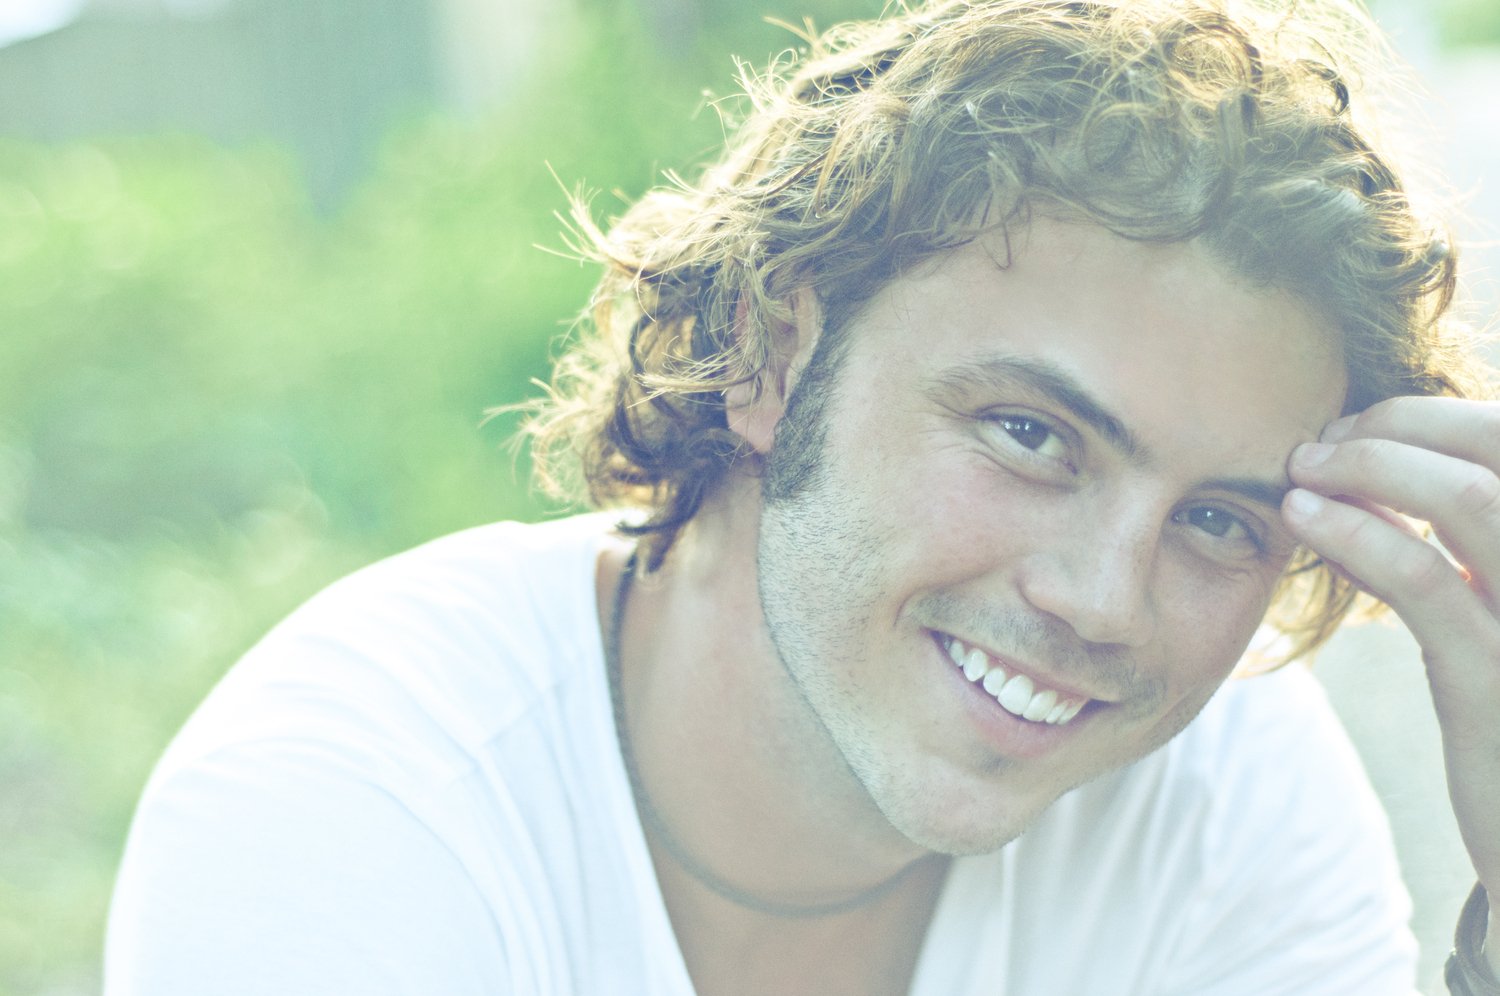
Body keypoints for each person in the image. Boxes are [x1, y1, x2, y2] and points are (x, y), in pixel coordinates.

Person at [105, 0, 1500, 993]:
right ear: (776, 350)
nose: (1102, 603)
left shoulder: (1219, 793)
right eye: (1030, 435)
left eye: (1217, 521)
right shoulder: (354, 811)